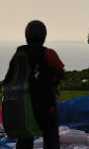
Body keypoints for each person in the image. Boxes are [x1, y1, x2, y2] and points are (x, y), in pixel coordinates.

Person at [4, 20, 65, 149]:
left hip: (24, 104)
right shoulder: (49, 54)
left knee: (25, 139)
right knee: (51, 138)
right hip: (47, 105)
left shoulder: (19, 54)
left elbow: (10, 78)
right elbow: (61, 73)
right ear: (44, 35)